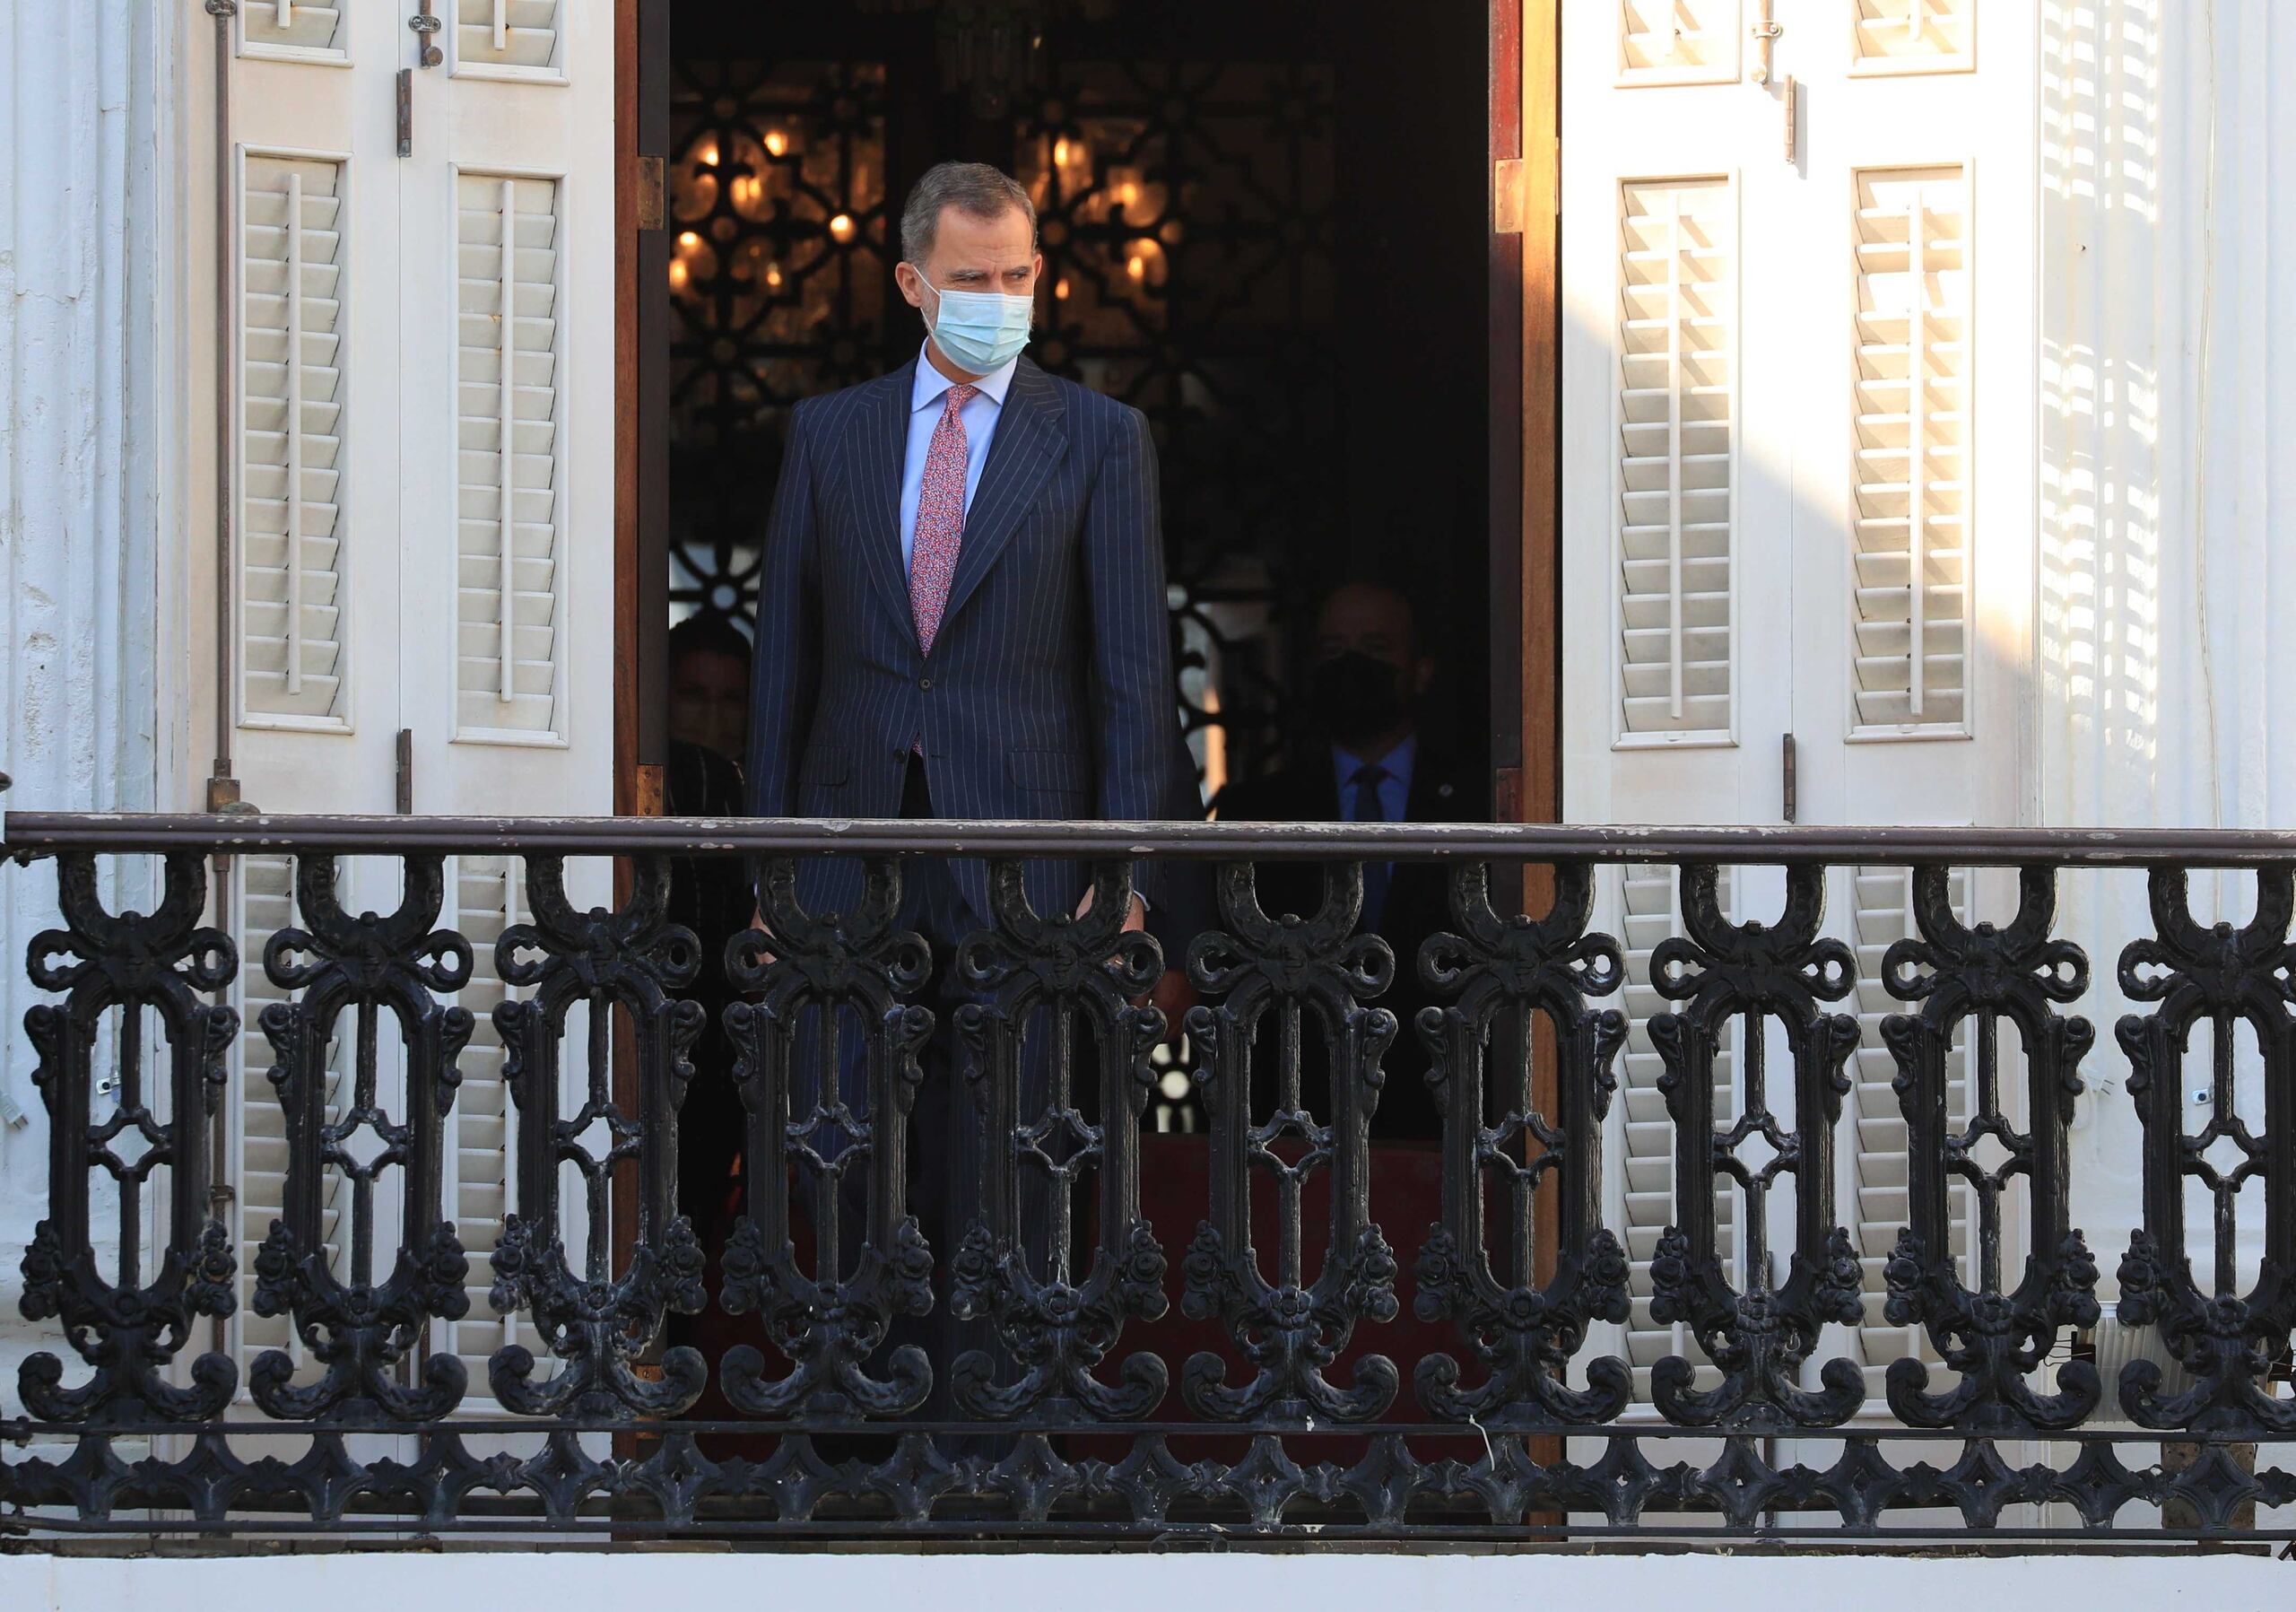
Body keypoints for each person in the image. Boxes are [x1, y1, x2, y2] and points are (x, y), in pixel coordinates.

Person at [747, 161, 1178, 1394]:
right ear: (910, 283)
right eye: (972, 279)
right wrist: (772, 871)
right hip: (851, 849)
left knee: (1021, 1146)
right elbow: (784, 666)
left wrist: (1133, 872)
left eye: (1018, 276)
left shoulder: (1099, 439)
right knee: (842, 1137)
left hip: (1029, 857)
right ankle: (852, 1419)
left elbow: (1134, 676)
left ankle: (1005, 1420)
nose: (1000, 298)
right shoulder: (829, 435)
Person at [1211, 580, 1475, 1140]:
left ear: (1421, 670)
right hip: (1296, 1112)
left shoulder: (1479, 804)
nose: (1353, 664)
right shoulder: (1257, 809)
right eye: (1333, 651)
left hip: (1448, 1108)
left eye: (1376, 649)